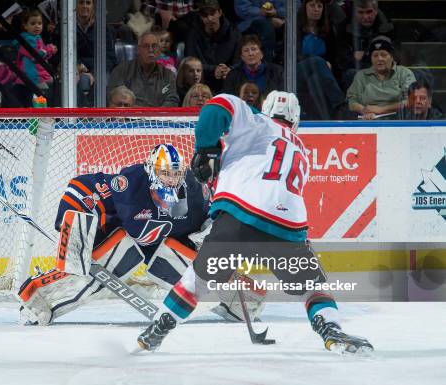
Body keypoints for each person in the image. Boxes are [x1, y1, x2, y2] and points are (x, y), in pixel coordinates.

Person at [137, 91, 374, 355]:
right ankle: (330, 329)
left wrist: (205, 149)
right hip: (287, 227)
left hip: (238, 216)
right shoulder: (301, 150)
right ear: (295, 121)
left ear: (264, 109)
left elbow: (215, 109)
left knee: (197, 281)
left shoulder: (256, 121)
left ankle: (159, 327)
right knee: (313, 288)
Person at [18, 144, 260, 325]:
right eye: (165, 173)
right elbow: (81, 189)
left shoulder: (195, 193)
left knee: (193, 273)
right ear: (152, 172)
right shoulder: (130, 183)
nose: (172, 179)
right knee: (99, 274)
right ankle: (36, 296)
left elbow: (214, 222)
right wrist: (71, 226)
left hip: (159, 245)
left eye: (176, 173)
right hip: (117, 236)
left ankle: (235, 300)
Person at [347, 36, 415, 120]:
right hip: (368, 120)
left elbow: (411, 100)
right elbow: (352, 101)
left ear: (392, 56)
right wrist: (364, 110)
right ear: (371, 59)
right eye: (375, 55)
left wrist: (382, 110)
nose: (379, 59)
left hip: (398, 120)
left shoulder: (404, 73)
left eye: (384, 54)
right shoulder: (361, 76)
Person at [107, 32, 179, 107]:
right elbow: (114, 96)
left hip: (157, 117)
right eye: (146, 46)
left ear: (159, 51)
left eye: (154, 46)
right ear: (138, 50)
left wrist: (154, 114)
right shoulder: (122, 69)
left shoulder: (168, 75)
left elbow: (172, 100)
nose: (151, 50)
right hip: (129, 116)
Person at [336, 0, 395, 89]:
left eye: (369, 12)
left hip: (381, 72)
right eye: (360, 12)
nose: (365, 17)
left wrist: (364, 56)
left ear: (376, 11)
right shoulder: (345, 28)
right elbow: (342, 60)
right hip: (355, 72)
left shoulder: (387, 27)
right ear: (355, 12)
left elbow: (394, 57)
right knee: (352, 74)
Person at [184, 0, 240, 94]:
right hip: (202, 80)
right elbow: (190, 62)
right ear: (200, 17)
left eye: (212, 13)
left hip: (228, 80)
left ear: (220, 12)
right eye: (205, 15)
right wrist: (213, 69)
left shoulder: (233, 32)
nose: (209, 18)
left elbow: (239, 61)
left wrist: (229, 70)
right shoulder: (193, 34)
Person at [13, 9, 57, 106]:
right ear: (25, 26)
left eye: (39, 23)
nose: (37, 26)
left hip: (39, 75)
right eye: (33, 23)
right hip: (32, 76)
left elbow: (43, 56)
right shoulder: (25, 40)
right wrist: (49, 49)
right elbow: (35, 56)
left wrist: (50, 51)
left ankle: (42, 116)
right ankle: (39, 118)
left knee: (45, 94)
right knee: (39, 98)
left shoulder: (37, 37)